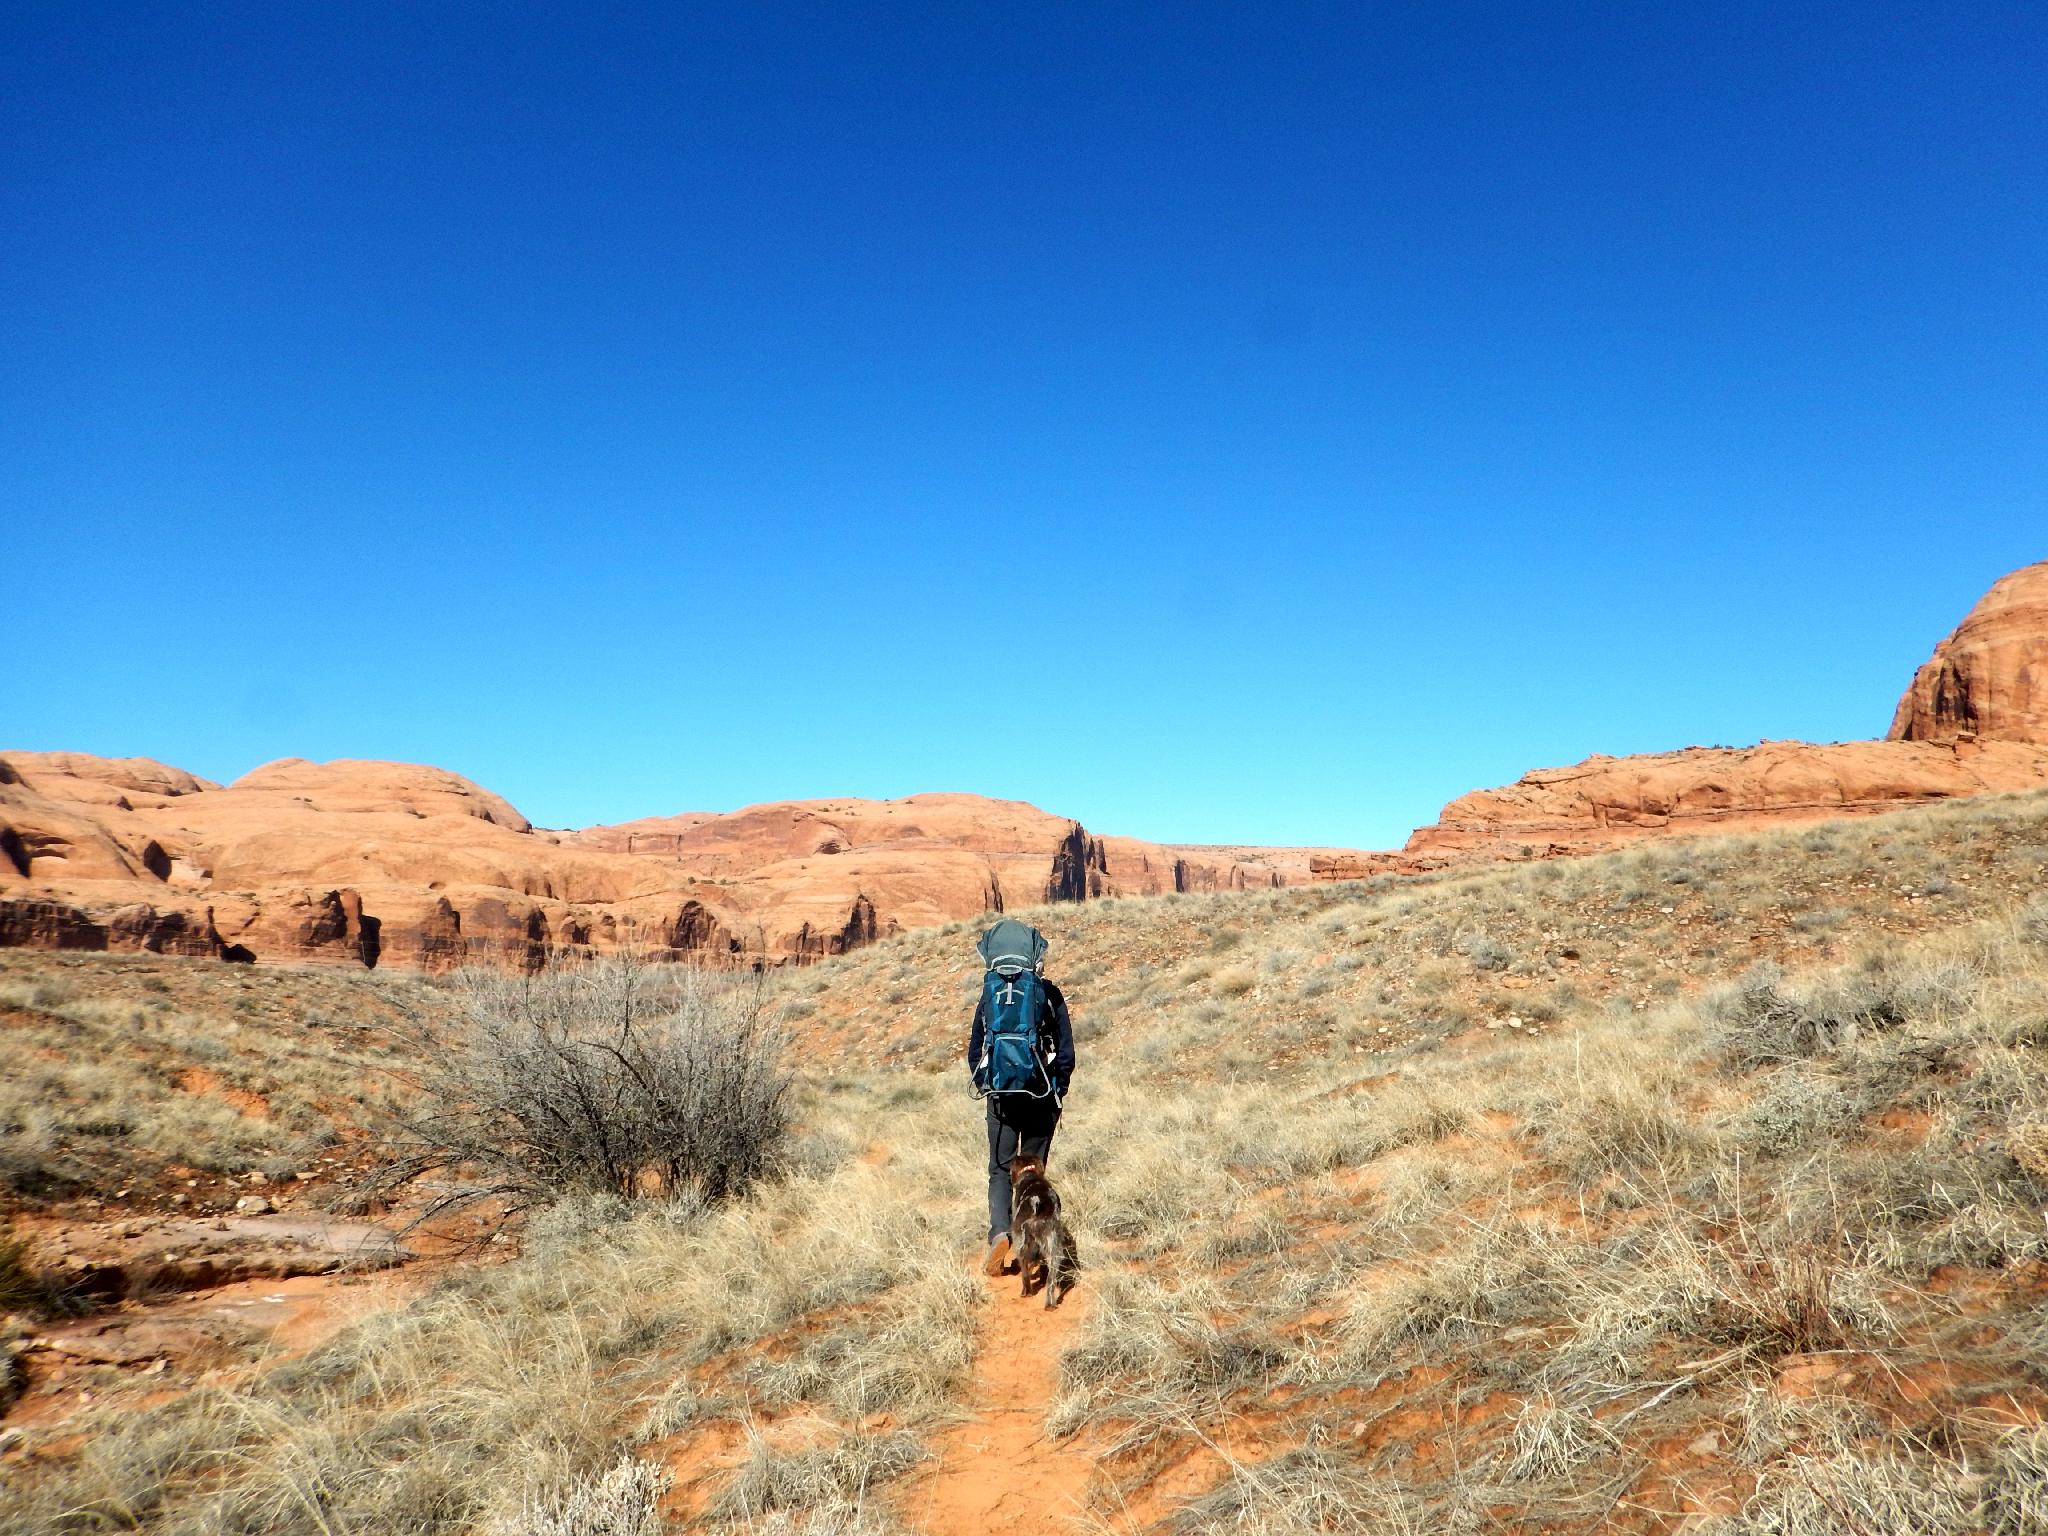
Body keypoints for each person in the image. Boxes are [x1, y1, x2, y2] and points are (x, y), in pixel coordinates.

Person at [966, 918, 1075, 1276]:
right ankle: (1034, 1241)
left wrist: (988, 1083)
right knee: (1032, 1171)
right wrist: (1057, 1090)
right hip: (1040, 1094)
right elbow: (1066, 1052)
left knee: (1000, 1170)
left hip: (1001, 1096)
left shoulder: (990, 993)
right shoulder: (1047, 993)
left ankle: (1000, 1233)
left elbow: (975, 1050)